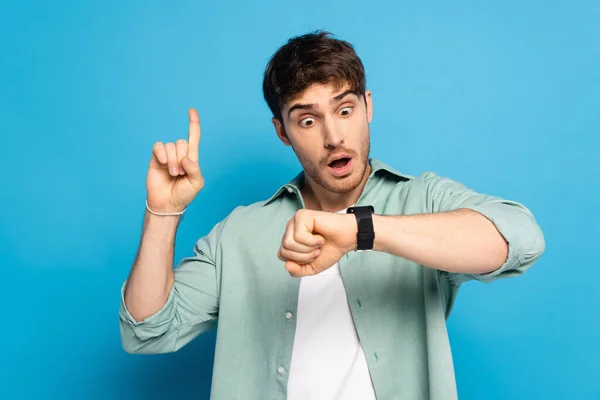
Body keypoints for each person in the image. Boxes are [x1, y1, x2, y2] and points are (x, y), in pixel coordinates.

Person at [119, 31, 545, 400]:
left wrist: (360, 230)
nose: (334, 136)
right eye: (308, 120)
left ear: (368, 106)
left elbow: (520, 241)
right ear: (282, 132)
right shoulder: (240, 233)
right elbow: (148, 330)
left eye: (345, 110)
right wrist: (163, 210)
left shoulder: (422, 200)